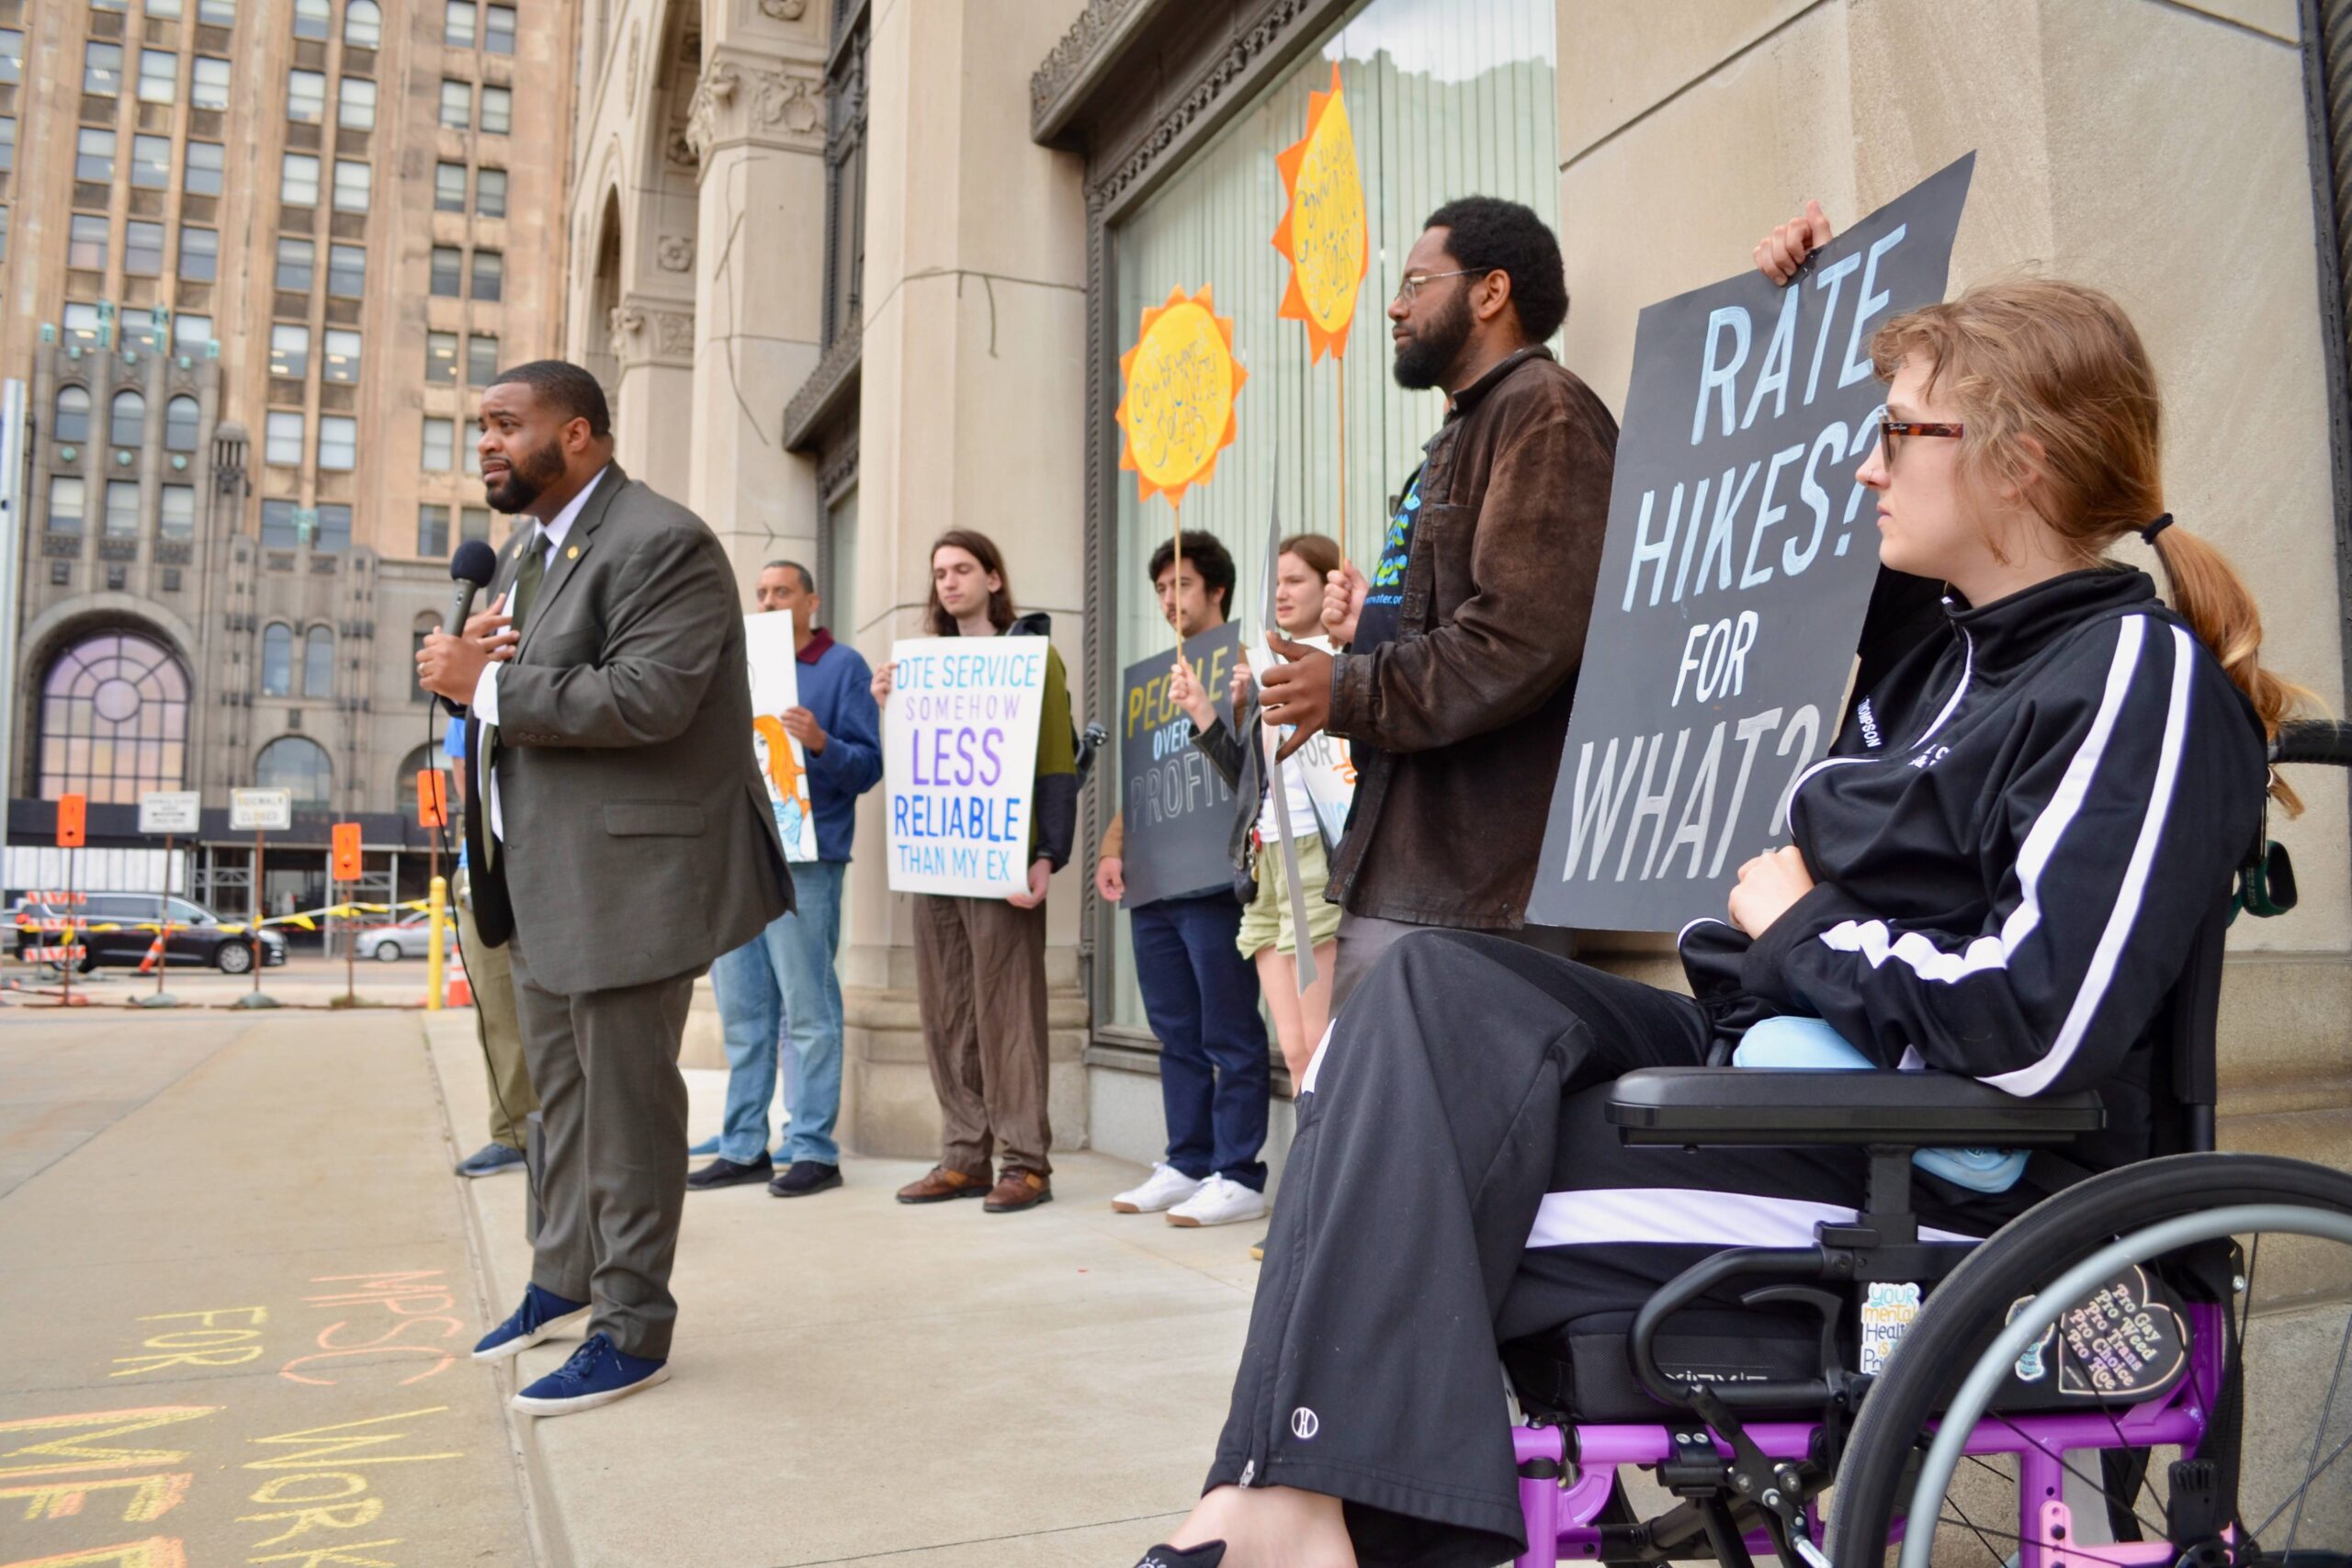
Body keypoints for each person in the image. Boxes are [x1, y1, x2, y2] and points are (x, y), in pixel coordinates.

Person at [1124, 262, 2299, 1568]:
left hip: (1939, 1170)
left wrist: (1799, 930)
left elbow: (2039, 1024)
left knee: (1447, 1184)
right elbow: (1779, 500)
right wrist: (1800, 299)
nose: (1865, 466)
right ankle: (1279, 1499)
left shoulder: (2132, 672)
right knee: (1425, 995)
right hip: (1787, 1079)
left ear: (2019, 461)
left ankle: (1297, 1513)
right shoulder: (1940, 660)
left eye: (1897, 431)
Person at [418, 359, 791, 1416]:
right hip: (538, 874)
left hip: (630, 877)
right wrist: (475, 672)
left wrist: (488, 682)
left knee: (626, 1109)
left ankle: (632, 1330)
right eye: (481, 426)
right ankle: (563, 1278)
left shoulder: (662, 541)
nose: (486, 444)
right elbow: (518, 696)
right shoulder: (525, 555)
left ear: (576, 433)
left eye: (506, 424)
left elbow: (648, 697)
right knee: (561, 1100)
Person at [1254, 197, 1619, 1009]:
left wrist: (1342, 687)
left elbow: (1517, 640)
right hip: (1415, 863)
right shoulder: (1459, 434)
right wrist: (1364, 631)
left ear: (1490, 292)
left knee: (1410, 1090)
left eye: (1417, 283)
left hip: (1474, 885)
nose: (1395, 305)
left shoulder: (1544, 412)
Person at [873, 530, 1077, 1214]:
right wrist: (890, 705)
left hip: (1003, 856)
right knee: (947, 1009)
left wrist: (1047, 854)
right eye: (940, 572)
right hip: (938, 857)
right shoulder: (923, 666)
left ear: (993, 578)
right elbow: (916, 763)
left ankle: (1026, 1162)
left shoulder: (1032, 658)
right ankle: (964, 1156)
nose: (949, 581)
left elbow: (1057, 760)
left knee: (1007, 1008)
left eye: (962, 569)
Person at [687, 560, 884, 1198]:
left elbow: (867, 767)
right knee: (744, 1014)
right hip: (737, 853)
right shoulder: (737, 666)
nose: (769, 601)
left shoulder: (843, 667)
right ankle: (744, 1146)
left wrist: (820, 741)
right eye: (762, 592)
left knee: (808, 1010)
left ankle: (814, 1148)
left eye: (782, 592)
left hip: (806, 858)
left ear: (812, 601)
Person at [1096, 532, 1272, 1229]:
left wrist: (1230, 702)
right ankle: (1187, 1161)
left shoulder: (1242, 663)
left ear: (1217, 590)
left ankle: (1240, 1171)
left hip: (1213, 879)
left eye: (1184, 585)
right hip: (1156, 881)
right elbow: (1143, 779)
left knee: (1229, 1029)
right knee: (1175, 1032)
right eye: (1162, 589)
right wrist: (1114, 847)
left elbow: (1253, 770)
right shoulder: (1155, 680)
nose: (1170, 599)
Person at [1170, 533, 1346, 1089]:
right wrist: (1206, 711)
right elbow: (1248, 784)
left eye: (1295, 580)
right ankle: (1307, 1148)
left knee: (1320, 1046)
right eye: (1275, 583)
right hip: (1264, 861)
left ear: (1329, 584)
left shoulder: (1349, 663)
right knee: (1292, 1050)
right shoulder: (1270, 667)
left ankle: (1326, 1148)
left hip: (1313, 858)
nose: (1281, 594)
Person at [444, 714, 537, 1179]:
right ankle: (513, 1134)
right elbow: (467, 777)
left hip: (552, 857)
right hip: (485, 865)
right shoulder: (465, 704)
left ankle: (564, 1129)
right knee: (498, 1010)